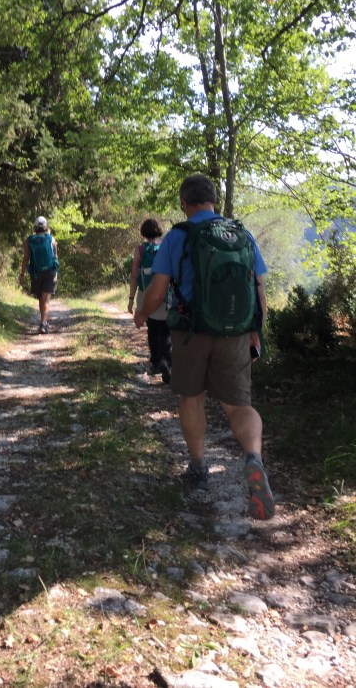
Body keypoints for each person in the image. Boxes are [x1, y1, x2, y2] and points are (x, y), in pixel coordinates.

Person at [134, 174, 274, 520]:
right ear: (214, 200)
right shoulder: (241, 234)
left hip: (190, 333)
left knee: (192, 398)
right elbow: (258, 288)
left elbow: (157, 291)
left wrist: (142, 313)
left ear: (184, 203)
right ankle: (254, 459)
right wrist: (255, 331)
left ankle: (198, 469)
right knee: (239, 405)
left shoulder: (178, 236)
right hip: (236, 333)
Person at [127, 218, 172, 382]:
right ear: (158, 231)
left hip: (145, 293)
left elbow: (134, 275)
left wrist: (131, 299)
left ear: (143, 233)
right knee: (166, 328)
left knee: (152, 328)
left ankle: (156, 362)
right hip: (165, 293)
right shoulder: (166, 247)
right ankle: (168, 360)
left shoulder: (140, 250)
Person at [20, 216, 59, 334]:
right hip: (50, 272)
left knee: (41, 298)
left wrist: (22, 274)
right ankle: (43, 323)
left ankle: (43, 322)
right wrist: (56, 271)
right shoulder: (51, 239)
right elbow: (55, 256)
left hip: (36, 273)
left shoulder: (29, 240)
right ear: (46, 227)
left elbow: (26, 258)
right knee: (46, 299)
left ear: (35, 227)